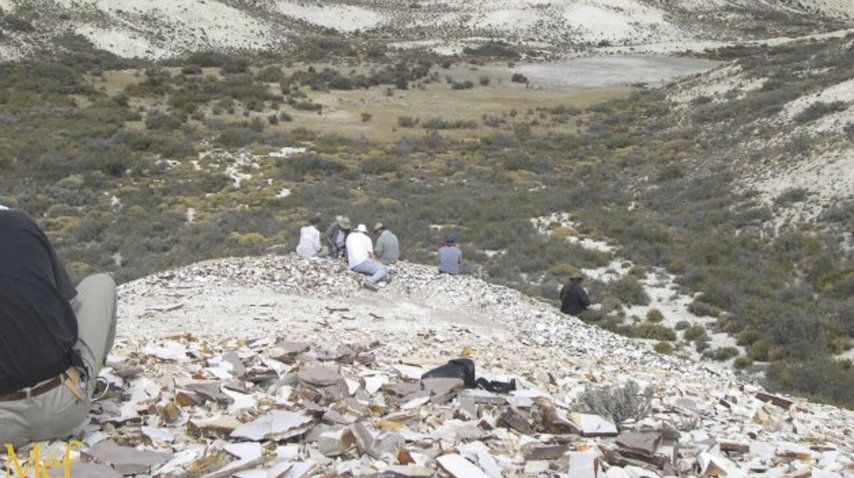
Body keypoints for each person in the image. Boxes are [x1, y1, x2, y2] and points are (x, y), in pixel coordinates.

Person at [0, 207, 117, 448]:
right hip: (62, 408)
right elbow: (71, 305)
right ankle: (88, 380)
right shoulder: (18, 222)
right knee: (100, 284)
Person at [346, 224, 389, 290]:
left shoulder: (350, 236)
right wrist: (376, 262)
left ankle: (371, 277)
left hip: (352, 265)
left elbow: (347, 251)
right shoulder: (366, 238)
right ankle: (370, 281)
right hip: (362, 262)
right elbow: (370, 255)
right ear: (365, 231)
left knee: (377, 272)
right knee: (383, 269)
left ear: (357, 230)